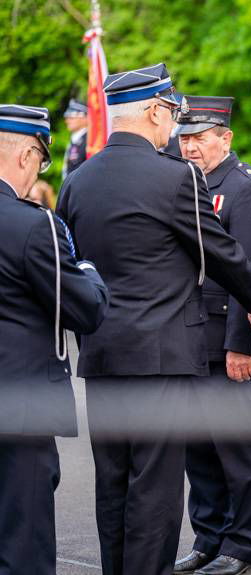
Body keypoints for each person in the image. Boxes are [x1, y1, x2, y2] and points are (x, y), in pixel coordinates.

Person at [56, 63, 251, 575]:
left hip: (104, 353)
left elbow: (70, 264)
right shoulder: (176, 177)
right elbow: (222, 251)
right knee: (154, 488)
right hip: (162, 356)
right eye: (172, 114)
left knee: (112, 481)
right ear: (155, 111)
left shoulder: (78, 180)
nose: (175, 127)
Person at [0, 104, 109, 575]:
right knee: (23, 544)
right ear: (26, 156)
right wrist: (88, 269)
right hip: (20, 410)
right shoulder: (31, 224)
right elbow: (85, 308)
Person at [171, 96, 251, 575]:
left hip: (223, 339)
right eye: (184, 137)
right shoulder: (178, 183)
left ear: (225, 138)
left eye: (199, 138)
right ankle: (208, 538)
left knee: (236, 449)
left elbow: (248, 271)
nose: (189, 147)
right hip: (184, 339)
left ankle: (243, 545)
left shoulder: (245, 188)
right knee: (199, 451)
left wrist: (240, 344)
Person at [62, 98, 89, 179]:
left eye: (71, 117)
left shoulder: (89, 141)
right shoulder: (75, 140)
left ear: (85, 118)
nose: (67, 121)